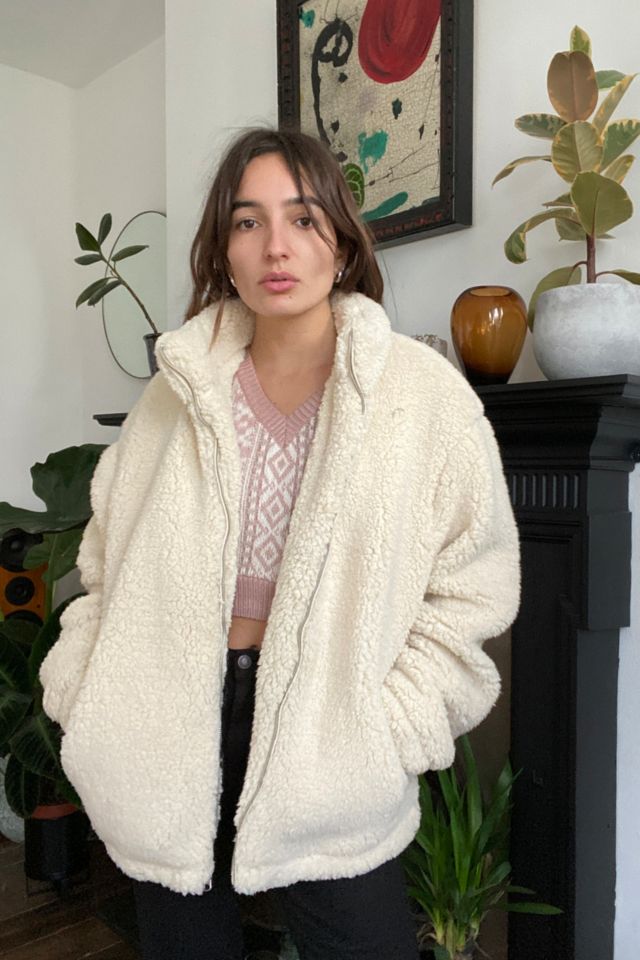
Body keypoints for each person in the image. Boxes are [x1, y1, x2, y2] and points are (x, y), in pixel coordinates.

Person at [39, 127, 521, 960]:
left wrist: (389, 728)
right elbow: (104, 567)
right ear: (223, 249)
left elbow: (472, 588)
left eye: (302, 218)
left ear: (342, 239)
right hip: (165, 732)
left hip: (331, 738)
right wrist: (86, 696)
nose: (276, 246)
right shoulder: (172, 397)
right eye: (248, 221)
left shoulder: (422, 399)